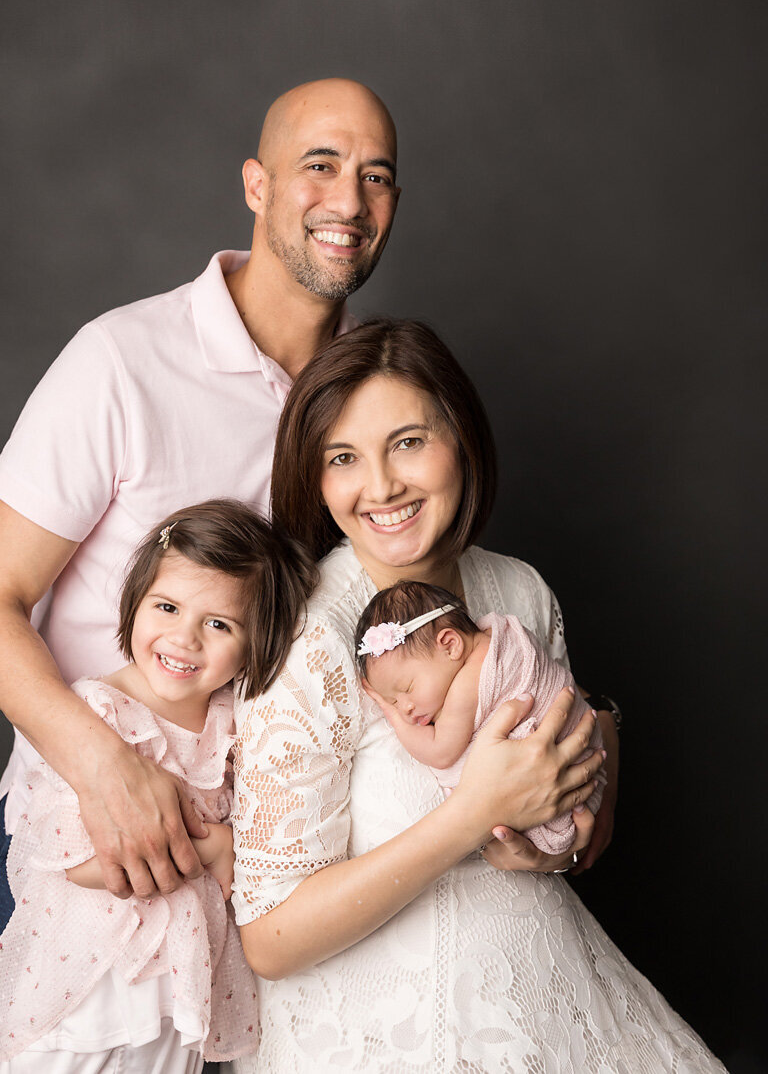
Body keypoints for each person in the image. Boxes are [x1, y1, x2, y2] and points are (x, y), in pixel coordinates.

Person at [0, 76, 402, 1070]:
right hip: (88, 840)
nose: (348, 198)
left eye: (375, 176)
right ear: (256, 184)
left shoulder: (369, 405)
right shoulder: (122, 359)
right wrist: (106, 768)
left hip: (254, 872)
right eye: (320, 165)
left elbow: (410, 611)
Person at [230, 319, 724, 1072]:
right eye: (343, 457)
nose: (381, 486)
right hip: (384, 1035)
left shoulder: (518, 589)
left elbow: (571, 811)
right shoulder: (308, 638)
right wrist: (472, 813)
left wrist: (562, 833)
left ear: (461, 437)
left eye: (408, 442)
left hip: (548, 992)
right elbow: (269, 941)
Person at [0, 500, 316, 1071]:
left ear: (254, 643)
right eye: (167, 607)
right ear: (135, 602)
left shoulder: (236, 724)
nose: (184, 638)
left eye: (219, 624)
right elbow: (75, 861)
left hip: (175, 994)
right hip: (89, 988)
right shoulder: (99, 715)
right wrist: (211, 848)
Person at [354, 579, 606, 855]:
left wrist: (387, 709)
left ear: (450, 645)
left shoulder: (468, 683)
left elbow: (440, 753)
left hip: (562, 789)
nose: (405, 707)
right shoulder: (496, 634)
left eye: (407, 689)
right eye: (394, 700)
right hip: (589, 766)